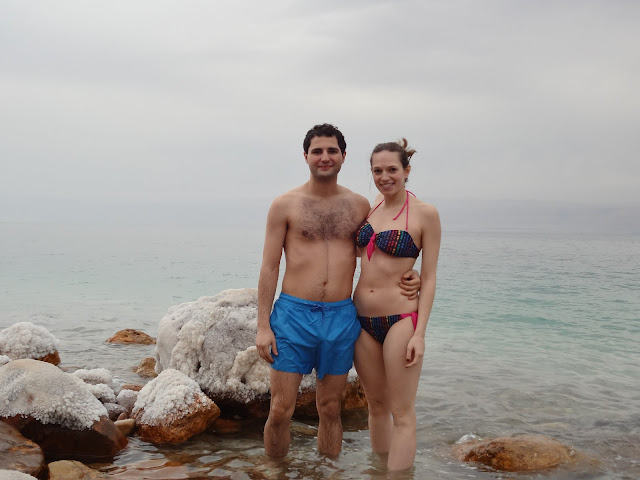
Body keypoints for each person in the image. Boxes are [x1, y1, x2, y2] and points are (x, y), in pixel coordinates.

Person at [256, 124, 421, 458]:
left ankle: (327, 472)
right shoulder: (284, 205)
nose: (325, 157)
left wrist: (411, 272)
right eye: (317, 151)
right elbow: (269, 266)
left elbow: (386, 243)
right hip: (293, 315)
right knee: (280, 410)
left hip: (341, 316)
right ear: (306, 156)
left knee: (330, 408)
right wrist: (262, 325)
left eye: (332, 150)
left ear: (343, 156)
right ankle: (276, 472)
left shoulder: (360, 206)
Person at [353, 139, 441, 471]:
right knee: (376, 406)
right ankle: (379, 472)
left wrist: (419, 334)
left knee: (402, 413)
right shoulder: (371, 207)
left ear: (406, 170)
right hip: (361, 320)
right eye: (377, 170)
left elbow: (429, 277)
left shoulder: (425, 214)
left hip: (401, 320)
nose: (384, 176)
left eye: (392, 169)